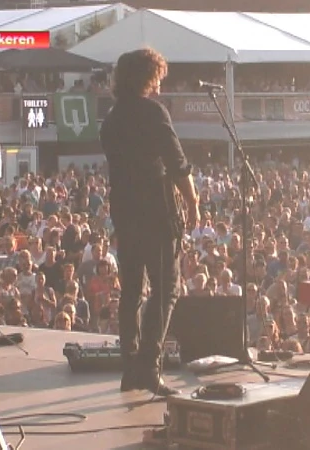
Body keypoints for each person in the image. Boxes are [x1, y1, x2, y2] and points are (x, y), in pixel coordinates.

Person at [100, 48, 200, 396]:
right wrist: (192, 200)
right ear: (147, 77)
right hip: (157, 212)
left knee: (131, 292)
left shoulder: (111, 118)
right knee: (165, 290)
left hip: (125, 213)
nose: (160, 83)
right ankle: (150, 369)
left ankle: (131, 370)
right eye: (157, 76)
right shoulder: (153, 112)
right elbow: (177, 162)